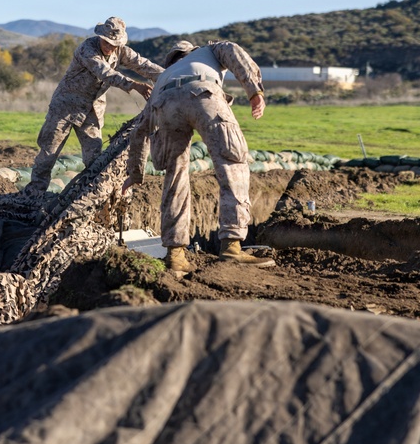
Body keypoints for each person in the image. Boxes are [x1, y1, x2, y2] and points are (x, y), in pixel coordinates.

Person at [123, 40, 274, 269]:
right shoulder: (209, 51)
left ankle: (175, 255)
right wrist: (254, 91)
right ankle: (232, 246)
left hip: (165, 105)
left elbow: (140, 132)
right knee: (232, 163)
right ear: (191, 52)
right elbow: (233, 51)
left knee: (175, 175)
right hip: (203, 93)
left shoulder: (164, 77)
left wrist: (134, 174)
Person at [24, 16, 164, 195]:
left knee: (94, 158)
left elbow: (144, 65)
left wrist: (170, 76)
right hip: (65, 107)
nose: (109, 46)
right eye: (106, 42)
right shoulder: (87, 49)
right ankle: (34, 194)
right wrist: (135, 85)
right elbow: (106, 74)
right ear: (100, 37)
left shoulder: (121, 52)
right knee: (49, 152)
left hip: (92, 111)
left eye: (113, 44)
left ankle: (89, 195)